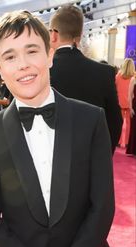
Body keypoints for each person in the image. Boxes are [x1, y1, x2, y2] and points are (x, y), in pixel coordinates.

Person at [0, 10, 115, 247]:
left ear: (50, 54)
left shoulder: (91, 120)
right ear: (0, 69)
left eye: (32, 51)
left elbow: (102, 206)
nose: (23, 64)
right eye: (10, 56)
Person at [49, 4, 122, 154]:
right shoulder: (104, 72)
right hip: (90, 162)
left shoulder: (41, 72)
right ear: (80, 34)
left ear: (54, 34)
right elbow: (115, 122)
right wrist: (102, 158)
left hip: (48, 163)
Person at [115, 58, 135, 148]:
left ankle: (119, 141)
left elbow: (115, 88)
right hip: (130, 102)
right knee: (129, 123)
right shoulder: (133, 78)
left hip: (119, 102)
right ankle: (127, 142)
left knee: (119, 123)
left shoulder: (118, 76)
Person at [126, 74, 136, 156]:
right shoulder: (133, 79)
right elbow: (129, 94)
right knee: (134, 128)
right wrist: (130, 107)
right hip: (135, 106)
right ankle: (133, 150)